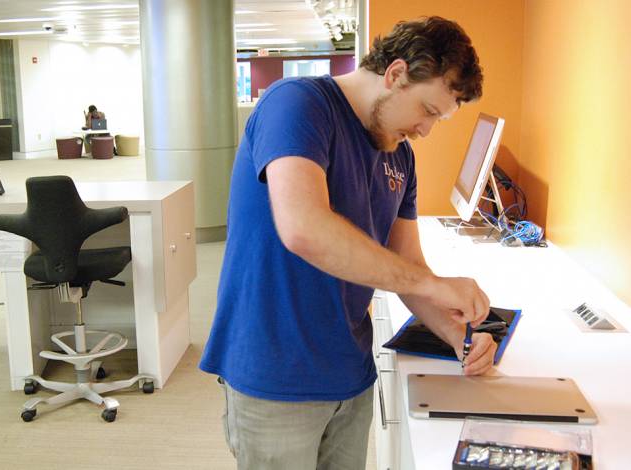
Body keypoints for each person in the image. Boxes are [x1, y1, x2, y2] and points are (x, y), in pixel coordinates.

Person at [199, 16, 497, 470]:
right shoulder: (297, 105)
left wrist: (461, 338)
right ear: (396, 74)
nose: (425, 130)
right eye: (429, 111)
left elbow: (407, 268)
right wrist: (438, 286)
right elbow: (304, 227)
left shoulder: (400, 157)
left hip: (349, 374)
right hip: (276, 374)